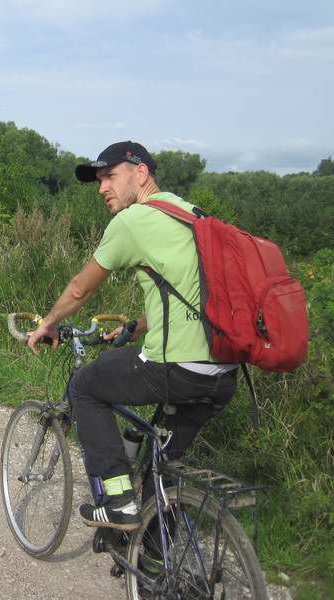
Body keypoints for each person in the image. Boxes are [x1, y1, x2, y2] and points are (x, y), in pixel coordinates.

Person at [26, 141, 238, 531]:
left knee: (85, 386)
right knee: (164, 462)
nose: (101, 187)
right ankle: (155, 567)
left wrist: (48, 323)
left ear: (140, 174)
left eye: (110, 176)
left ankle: (119, 499)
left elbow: (79, 289)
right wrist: (134, 329)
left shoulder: (133, 220)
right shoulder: (191, 214)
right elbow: (186, 290)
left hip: (177, 365)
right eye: (99, 180)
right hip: (222, 372)